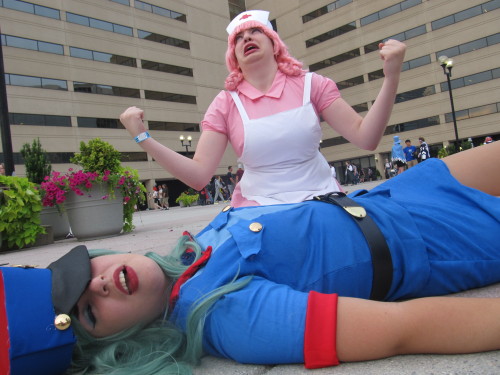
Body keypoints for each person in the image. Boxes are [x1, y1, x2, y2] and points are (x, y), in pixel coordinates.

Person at [2, 143, 500, 374]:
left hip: (401, 192)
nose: (99, 285)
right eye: (89, 312)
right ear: (120, 349)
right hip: (440, 238)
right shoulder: (224, 316)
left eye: (79, 274)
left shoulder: (186, 255)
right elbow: (402, 329)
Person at [119, 10, 406, 208]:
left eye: (255, 31)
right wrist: (143, 138)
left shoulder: (312, 85)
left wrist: (391, 77)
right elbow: (198, 176)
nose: (247, 39)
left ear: (274, 43)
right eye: (239, 39)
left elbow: (366, 138)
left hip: (322, 202)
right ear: (234, 56)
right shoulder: (225, 103)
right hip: (259, 210)